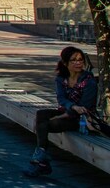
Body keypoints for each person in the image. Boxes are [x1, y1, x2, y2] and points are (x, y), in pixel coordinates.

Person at [24, 46, 98, 177]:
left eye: (80, 60)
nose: (78, 63)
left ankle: (41, 161)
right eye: (73, 60)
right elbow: (61, 99)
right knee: (41, 114)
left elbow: (84, 108)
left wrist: (66, 113)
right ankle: (42, 157)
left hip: (82, 120)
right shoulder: (61, 79)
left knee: (48, 124)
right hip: (67, 111)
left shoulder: (89, 81)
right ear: (65, 63)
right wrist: (71, 107)